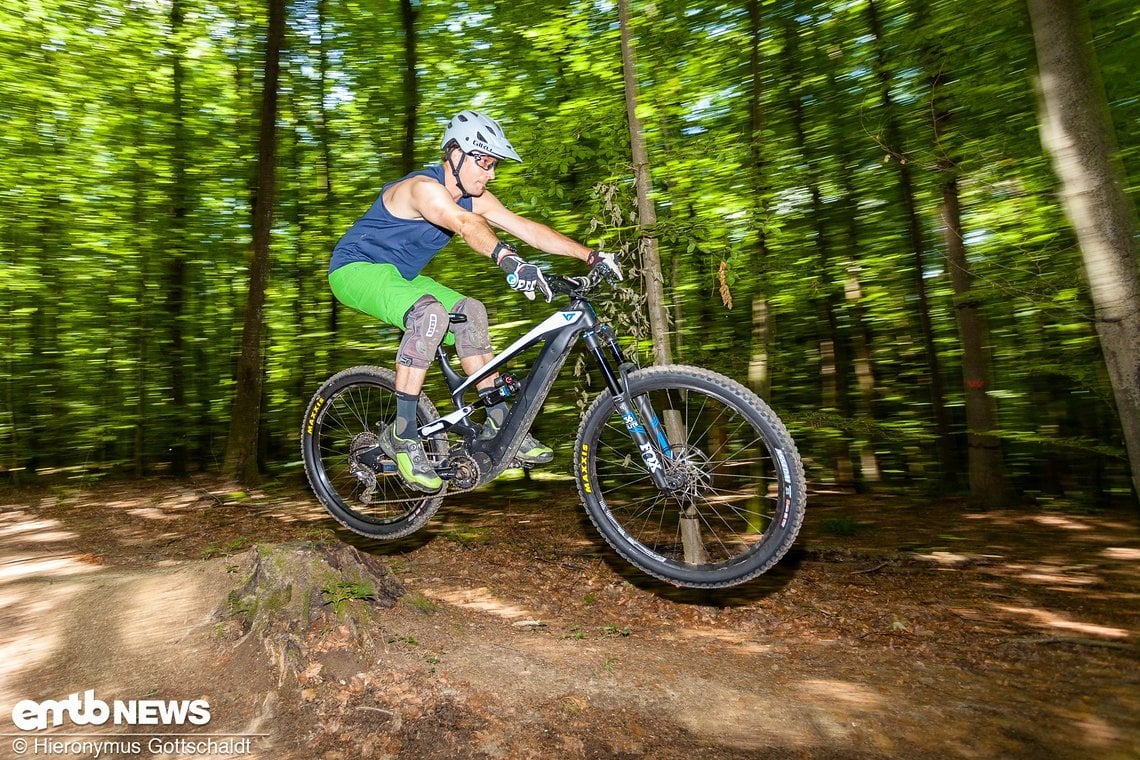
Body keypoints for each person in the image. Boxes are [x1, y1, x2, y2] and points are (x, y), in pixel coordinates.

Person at [328, 109, 621, 493]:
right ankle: (402, 434)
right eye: (484, 161)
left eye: (494, 164)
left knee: (471, 311)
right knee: (431, 314)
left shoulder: (475, 197)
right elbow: (465, 226)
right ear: (455, 154)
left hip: (400, 278)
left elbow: (527, 229)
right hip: (354, 270)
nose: (491, 172)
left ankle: (498, 419)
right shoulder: (422, 189)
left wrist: (590, 256)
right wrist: (508, 260)